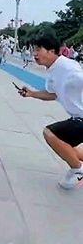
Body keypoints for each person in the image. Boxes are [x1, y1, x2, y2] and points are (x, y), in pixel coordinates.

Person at [17, 35, 83, 189]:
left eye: (38, 50)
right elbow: (53, 94)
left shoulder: (68, 68)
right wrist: (31, 93)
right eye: (34, 50)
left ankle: (78, 169)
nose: (34, 54)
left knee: (50, 133)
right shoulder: (53, 70)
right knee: (66, 147)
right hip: (77, 117)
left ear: (51, 51)